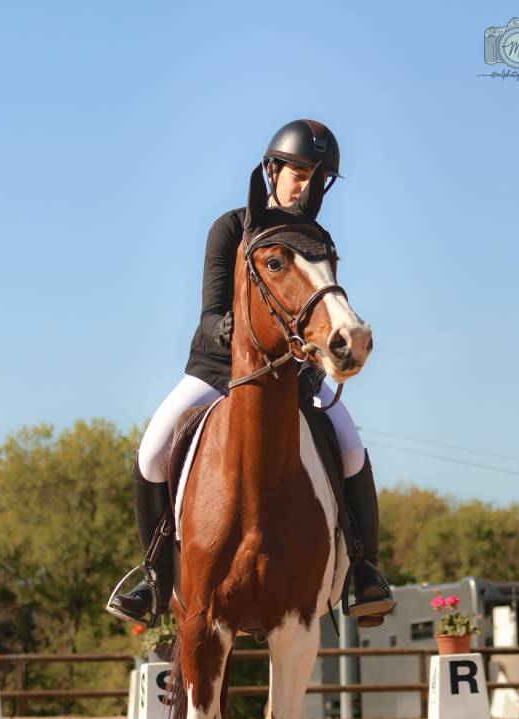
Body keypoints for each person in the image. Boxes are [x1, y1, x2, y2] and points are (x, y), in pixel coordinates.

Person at [106, 119, 394, 628]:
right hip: (218, 369)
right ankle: (153, 576)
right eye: (300, 171)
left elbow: (316, 311)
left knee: (350, 449)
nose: (308, 184)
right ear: (273, 170)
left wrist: (319, 349)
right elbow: (212, 311)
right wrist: (234, 336)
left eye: (319, 176)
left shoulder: (316, 238)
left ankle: (365, 569)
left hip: (294, 375)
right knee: (152, 452)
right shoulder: (231, 228)